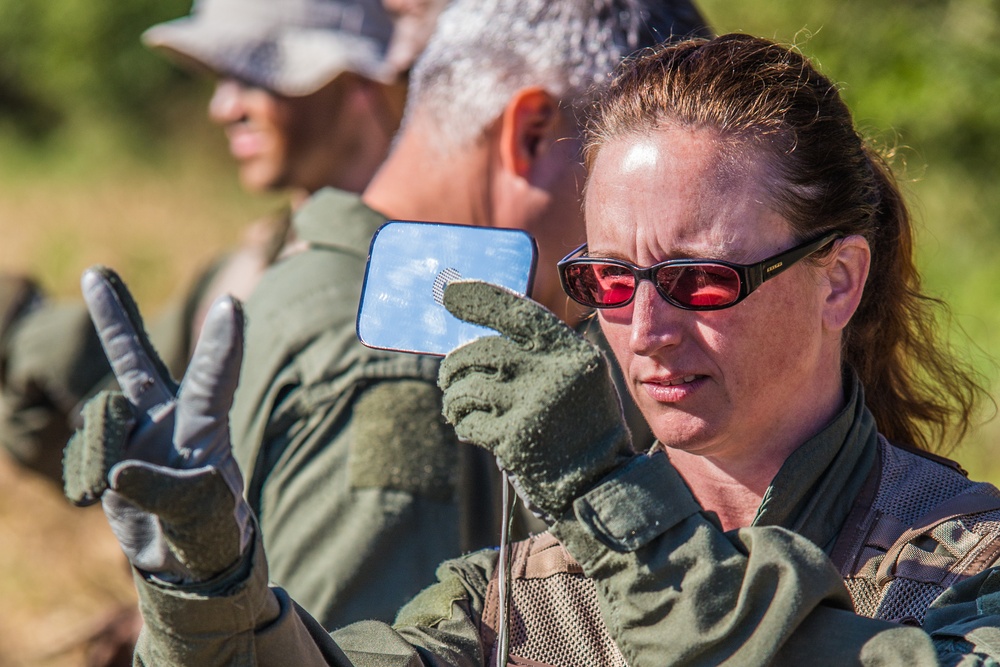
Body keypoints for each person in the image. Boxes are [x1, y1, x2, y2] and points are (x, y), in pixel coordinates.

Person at [65, 32, 1000, 665]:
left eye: (702, 281)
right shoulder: (522, 592)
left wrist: (610, 499)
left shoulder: (966, 565)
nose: (648, 328)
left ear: (839, 279)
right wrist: (207, 580)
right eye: (608, 282)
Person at [213, 0, 708, 630]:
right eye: (621, 176)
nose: (634, 249)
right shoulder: (405, 356)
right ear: (530, 134)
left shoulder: (326, 283)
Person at [0, 0, 429, 483]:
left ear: (357, 83)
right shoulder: (251, 263)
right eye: (220, 79)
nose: (222, 107)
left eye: (255, 77)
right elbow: (114, 383)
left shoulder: (424, 283)